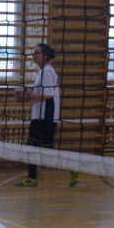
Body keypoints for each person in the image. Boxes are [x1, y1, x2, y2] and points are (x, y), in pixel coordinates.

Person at [14, 43, 79, 188]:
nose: (34, 55)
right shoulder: (42, 71)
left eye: (37, 52)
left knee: (44, 148)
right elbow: (41, 93)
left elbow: (48, 95)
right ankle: (32, 178)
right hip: (39, 115)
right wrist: (27, 96)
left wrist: (28, 95)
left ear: (45, 55)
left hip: (47, 115)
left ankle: (72, 166)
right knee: (32, 145)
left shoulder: (48, 71)